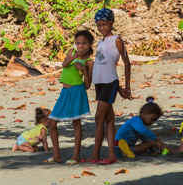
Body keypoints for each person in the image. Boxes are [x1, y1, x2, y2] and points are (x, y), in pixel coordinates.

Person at [86, 8, 132, 164]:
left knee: (99, 117)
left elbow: (127, 62)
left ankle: (95, 154)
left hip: (109, 82)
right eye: (99, 25)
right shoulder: (101, 41)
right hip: (99, 82)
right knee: (108, 118)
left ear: (111, 23)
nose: (101, 28)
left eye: (104, 24)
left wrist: (126, 86)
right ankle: (112, 155)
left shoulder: (116, 40)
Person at [44, 30, 95, 164]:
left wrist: (83, 69)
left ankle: (76, 156)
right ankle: (57, 155)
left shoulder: (89, 62)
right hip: (65, 92)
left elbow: (88, 85)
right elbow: (64, 64)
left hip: (77, 92)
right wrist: (76, 55)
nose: (81, 46)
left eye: (84, 43)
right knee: (51, 122)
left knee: (76, 123)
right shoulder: (71, 52)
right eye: (78, 43)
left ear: (90, 44)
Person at [115, 99, 183, 158]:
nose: (152, 123)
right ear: (145, 113)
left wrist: (153, 150)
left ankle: (126, 152)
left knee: (152, 143)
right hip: (119, 144)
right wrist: (156, 139)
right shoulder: (136, 120)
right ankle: (176, 150)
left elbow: (146, 141)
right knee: (153, 142)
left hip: (129, 148)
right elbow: (142, 131)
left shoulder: (140, 125)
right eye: (152, 119)